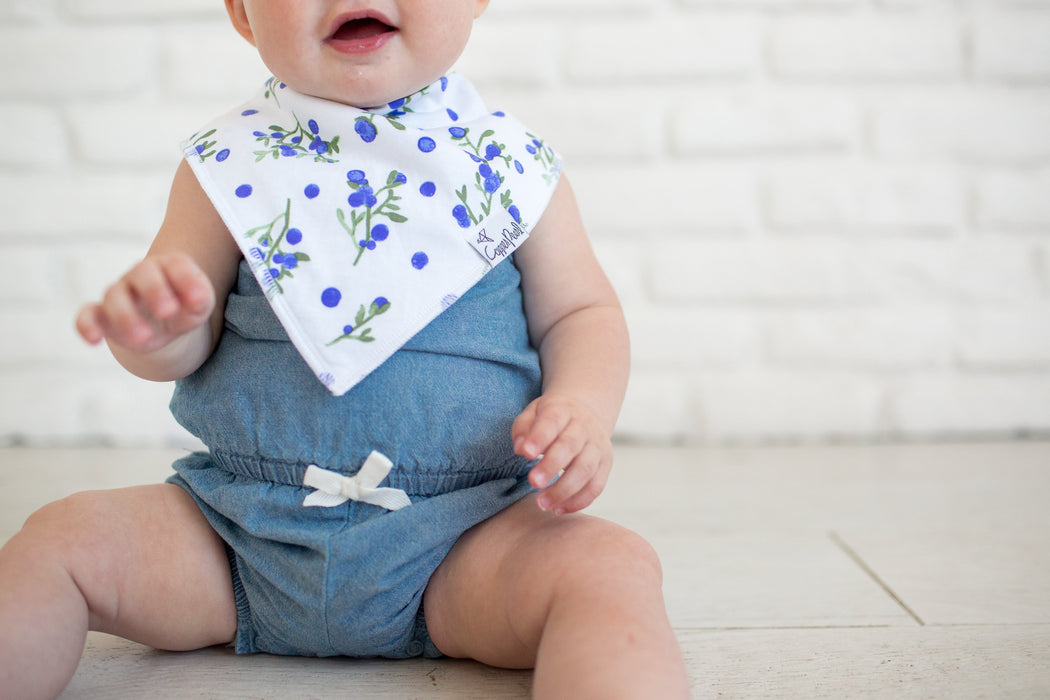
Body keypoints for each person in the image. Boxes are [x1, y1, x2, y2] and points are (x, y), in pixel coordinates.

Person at [0, 1, 690, 697]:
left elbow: (582, 312)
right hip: (236, 534)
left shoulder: (514, 170)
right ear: (242, 12)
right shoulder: (229, 165)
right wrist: (157, 331)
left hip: (463, 541)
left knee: (610, 566)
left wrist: (581, 407)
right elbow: (182, 346)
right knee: (59, 540)